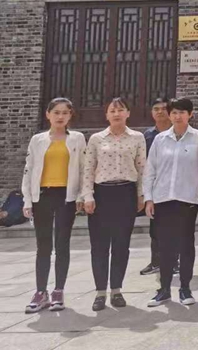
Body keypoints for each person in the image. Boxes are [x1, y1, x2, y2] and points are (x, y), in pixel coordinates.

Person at [82, 97, 146, 311]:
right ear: (107, 115)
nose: (117, 114)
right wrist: (87, 196)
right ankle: (100, 292)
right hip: (102, 194)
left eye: (121, 110)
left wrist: (141, 195)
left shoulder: (137, 138)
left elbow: (142, 168)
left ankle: (117, 290)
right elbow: (88, 168)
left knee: (121, 244)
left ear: (128, 113)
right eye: (112, 110)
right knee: (99, 245)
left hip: (126, 193)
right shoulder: (96, 139)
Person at [21, 98, 85, 314]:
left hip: (66, 196)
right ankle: (41, 292)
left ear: (70, 115)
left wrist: (82, 196)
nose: (60, 116)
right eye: (56, 112)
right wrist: (27, 200)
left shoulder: (77, 139)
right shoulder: (37, 140)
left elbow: (83, 169)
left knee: (62, 244)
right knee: (43, 246)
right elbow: (28, 170)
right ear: (48, 114)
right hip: (42, 196)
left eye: (65, 113)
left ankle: (58, 290)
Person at [144, 98, 198, 306]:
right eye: (174, 112)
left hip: (186, 199)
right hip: (162, 199)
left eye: (182, 112)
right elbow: (150, 170)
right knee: (165, 246)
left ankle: (185, 288)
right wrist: (148, 198)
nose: (177, 116)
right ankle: (164, 289)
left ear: (190, 114)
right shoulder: (160, 139)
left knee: (186, 244)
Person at [139, 96, 172, 276]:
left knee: (176, 227)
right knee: (155, 227)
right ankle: (156, 262)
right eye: (156, 109)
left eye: (163, 108)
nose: (160, 112)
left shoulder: (177, 132)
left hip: (175, 185)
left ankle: (174, 261)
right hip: (155, 186)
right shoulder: (147, 135)